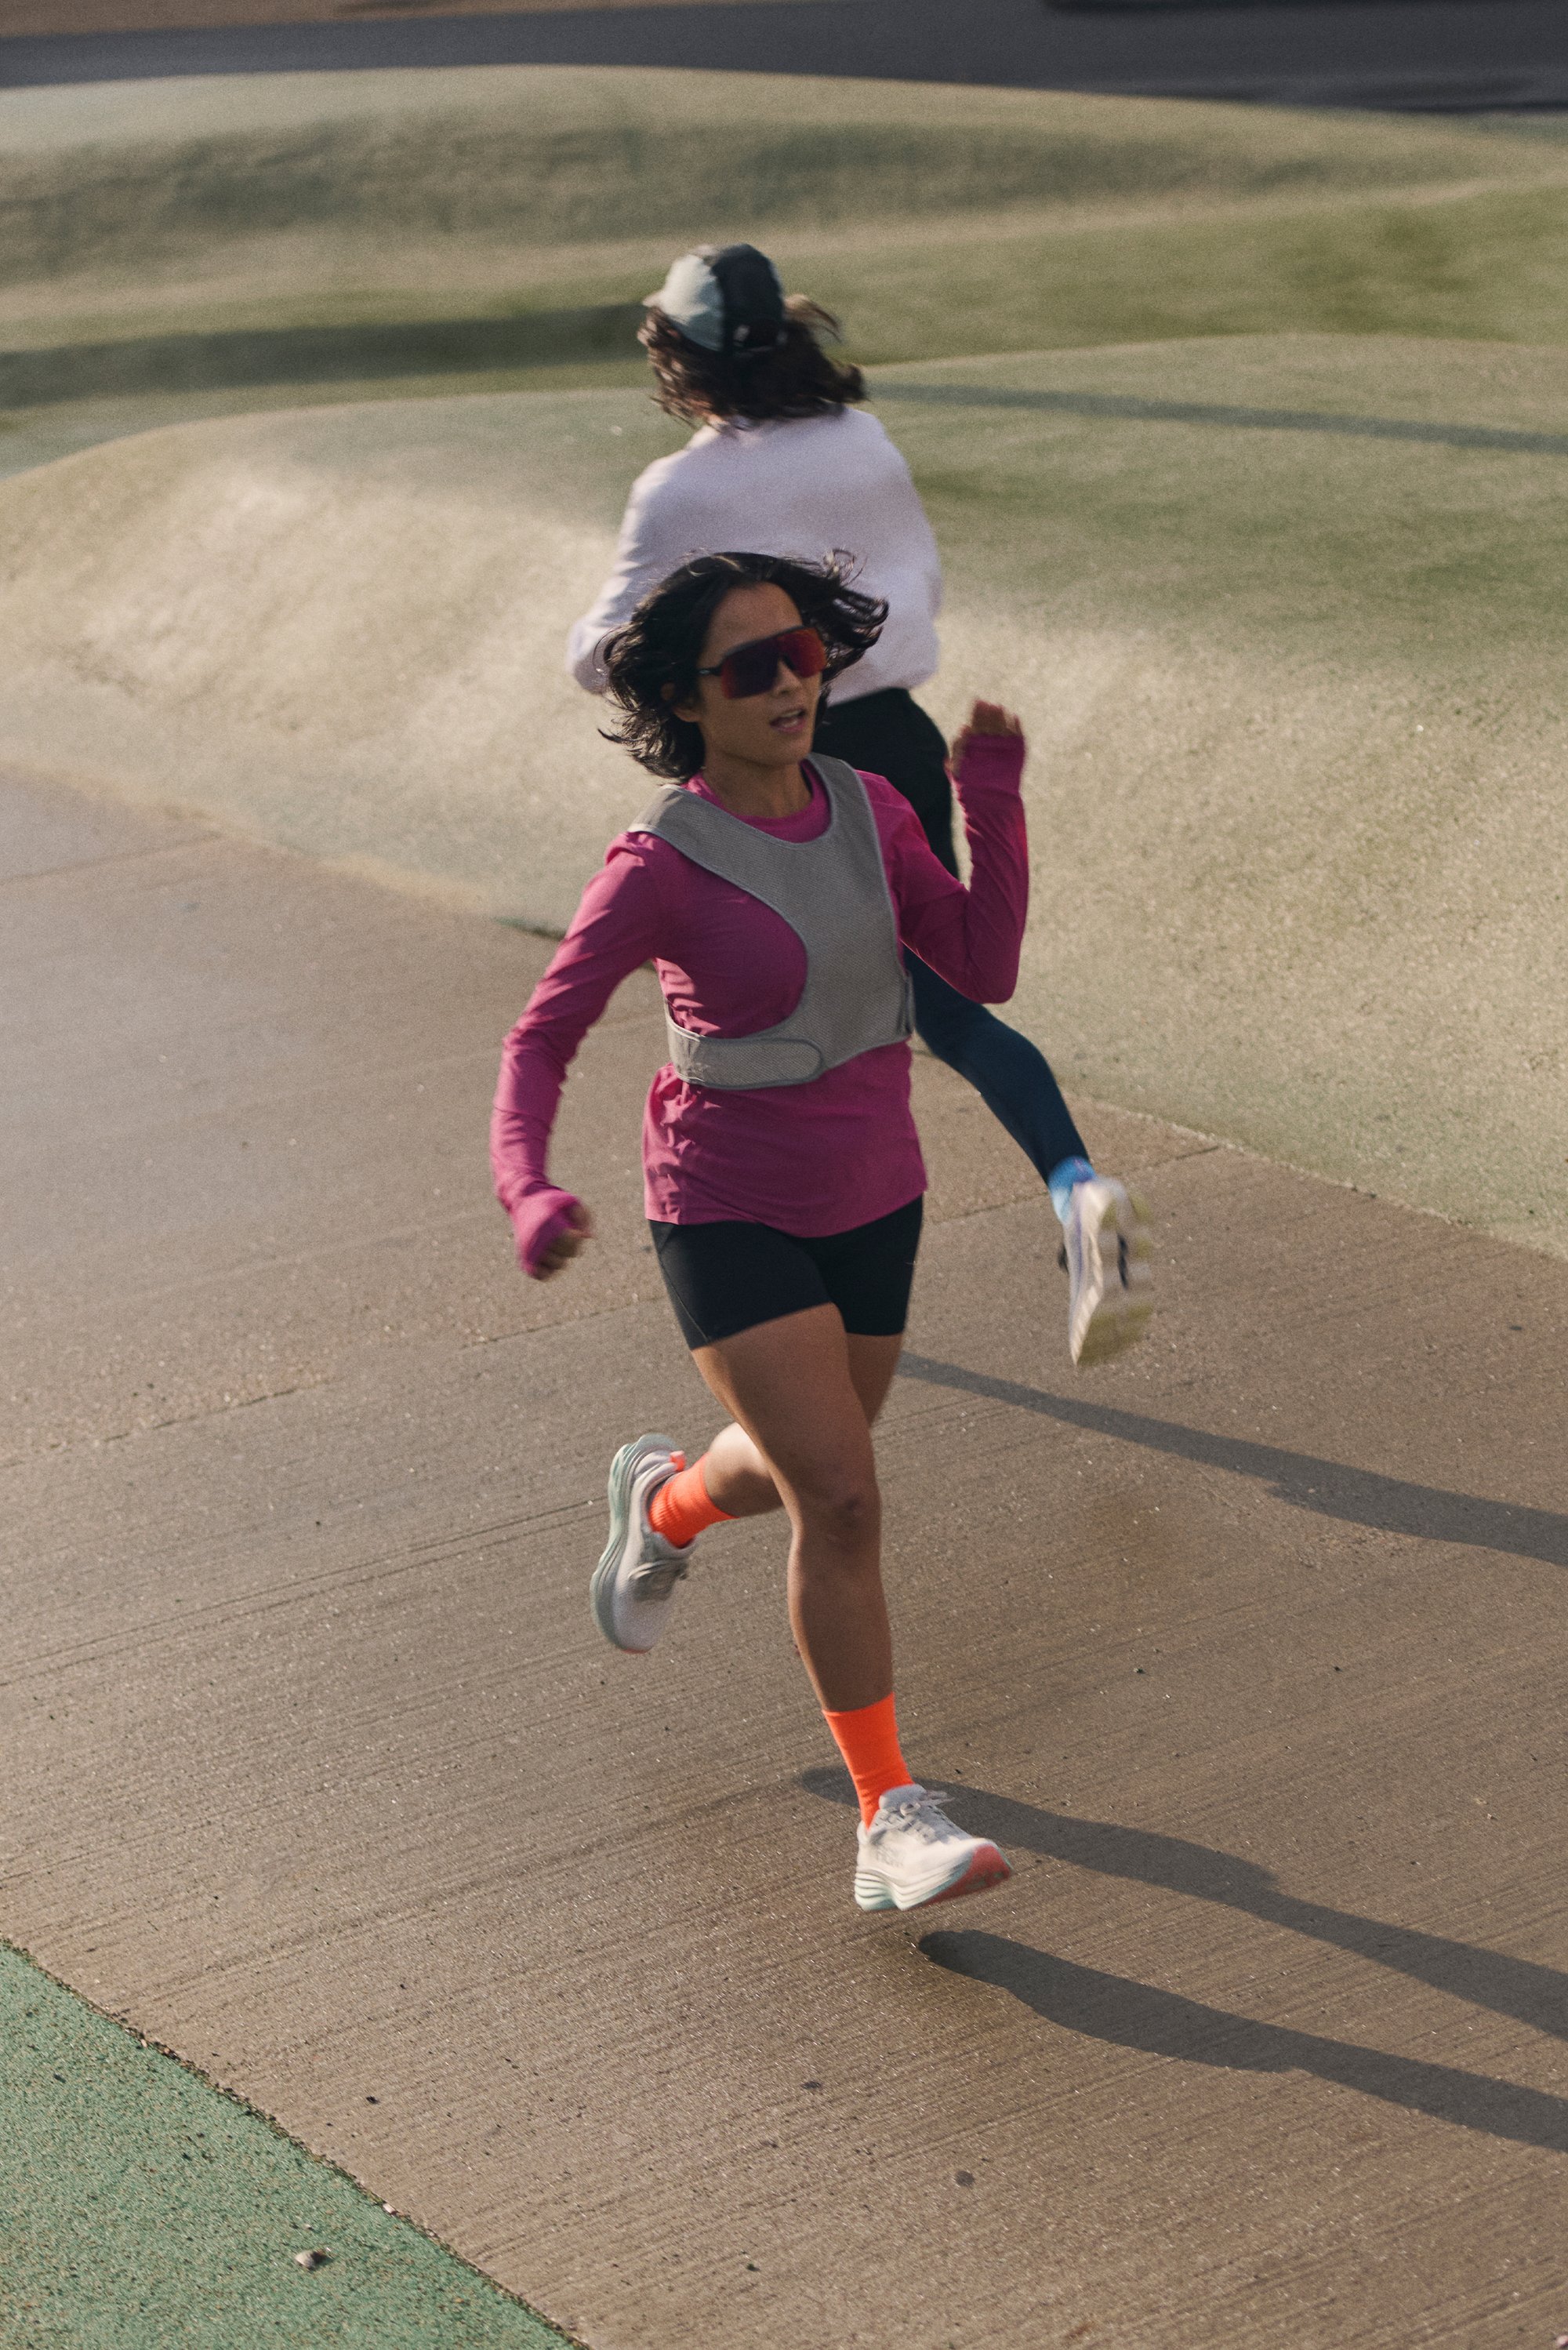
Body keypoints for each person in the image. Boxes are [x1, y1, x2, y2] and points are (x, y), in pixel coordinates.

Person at [494, 548, 1026, 1911]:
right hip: (723, 1198)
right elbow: (546, 1030)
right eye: (752, 668)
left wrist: (992, 802)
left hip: (875, 1186)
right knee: (842, 1498)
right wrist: (527, 1183)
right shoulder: (659, 865)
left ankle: (664, 1502)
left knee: (807, 1468)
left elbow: (978, 965)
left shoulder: (866, 804)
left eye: (801, 653)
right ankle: (887, 1817)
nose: (792, 683)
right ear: (689, 696)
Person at [566, 241, 1152, 1368]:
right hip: (894, 742)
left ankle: (758, 1267)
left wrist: (678, 649)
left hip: (766, 767)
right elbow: (917, 586)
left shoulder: (678, 489)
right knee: (945, 1005)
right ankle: (1078, 1186)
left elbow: (597, 657)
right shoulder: (861, 438)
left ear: (677, 358)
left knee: (747, 1025)